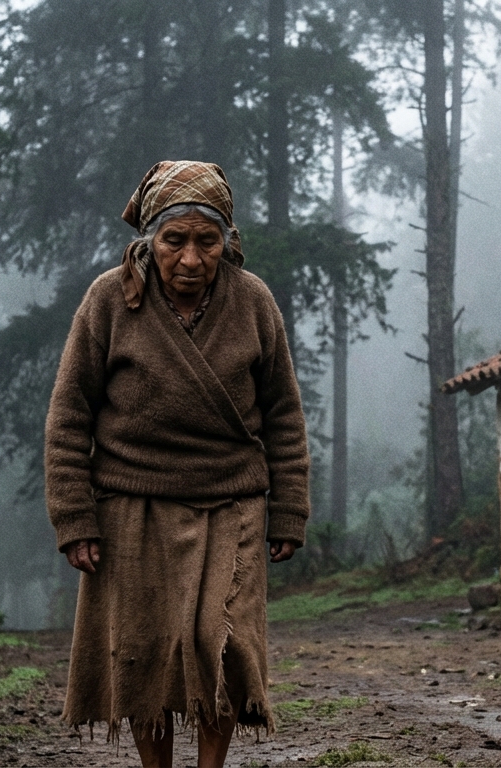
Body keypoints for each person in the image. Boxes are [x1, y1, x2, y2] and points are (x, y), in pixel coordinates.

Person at [44, 160, 309, 767]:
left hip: (231, 502)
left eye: (206, 241)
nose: (190, 259)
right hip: (133, 505)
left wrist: (289, 510)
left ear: (227, 243)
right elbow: (69, 415)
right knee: (146, 653)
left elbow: (284, 415)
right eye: (174, 241)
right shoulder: (109, 300)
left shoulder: (253, 302)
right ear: (148, 242)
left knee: (227, 645)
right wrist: (75, 518)